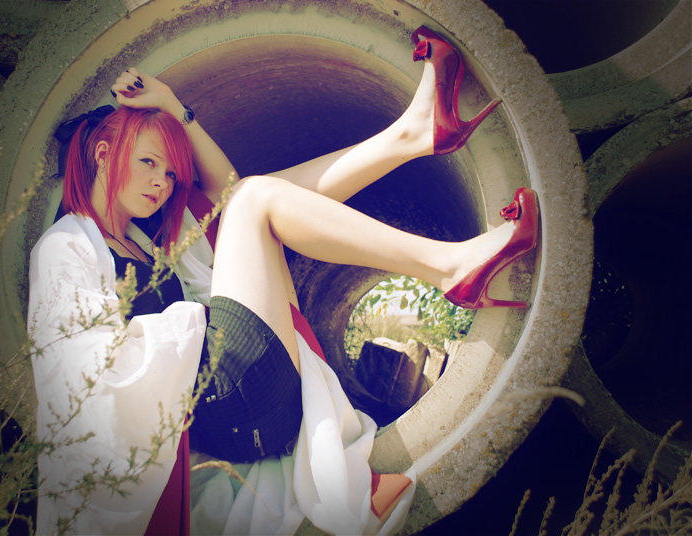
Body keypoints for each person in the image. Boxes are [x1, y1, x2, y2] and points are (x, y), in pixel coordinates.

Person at [28, 26, 539, 535]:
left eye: (170, 173)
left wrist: (172, 105)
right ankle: (449, 264)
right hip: (229, 410)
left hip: (243, 398)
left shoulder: (146, 243)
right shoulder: (64, 249)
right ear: (102, 155)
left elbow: (226, 192)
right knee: (253, 200)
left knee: (245, 199)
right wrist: (191, 323)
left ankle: (415, 134)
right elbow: (87, 384)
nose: (162, 182)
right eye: (148, 163)